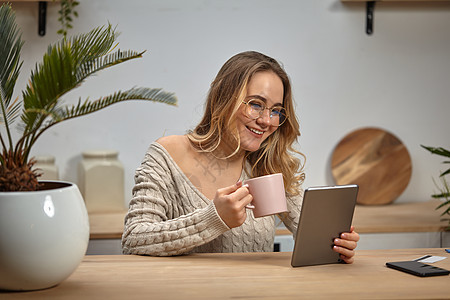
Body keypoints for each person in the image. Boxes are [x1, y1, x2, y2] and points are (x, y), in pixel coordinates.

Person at [121, 51, 359, 262]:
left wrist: (336, 244)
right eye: (256, 105)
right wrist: (213, 218)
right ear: (224, 98)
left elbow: (312, 234)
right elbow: (134, 239)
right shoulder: (167, 155)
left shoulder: (266, 164)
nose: (267, 121)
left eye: (276, 110)